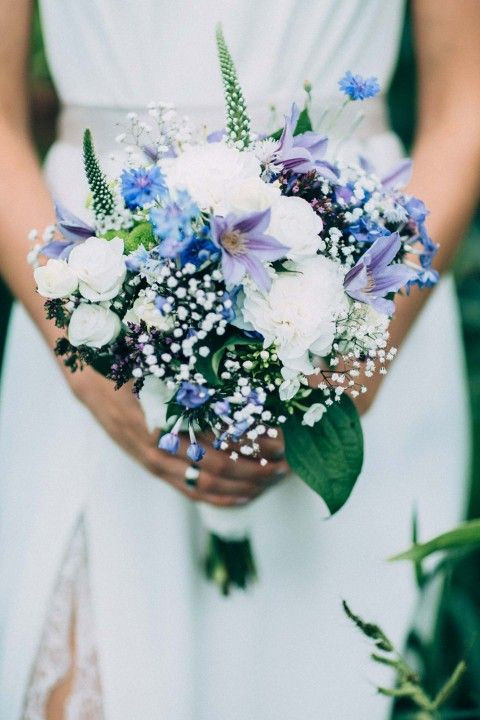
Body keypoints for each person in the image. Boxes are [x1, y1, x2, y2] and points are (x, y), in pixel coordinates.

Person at [0, 1, 479, 718]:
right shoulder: (85, 328)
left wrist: (352, 364)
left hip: (353, 283)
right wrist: (85, 368)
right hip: (89, 284)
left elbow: (465, 102)